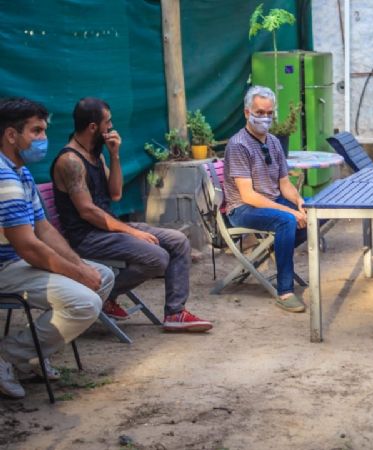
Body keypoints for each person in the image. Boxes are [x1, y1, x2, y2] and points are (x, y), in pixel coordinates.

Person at [51, 98, 212, 332]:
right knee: (157, 257)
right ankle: (102, 294)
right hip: (86, 237)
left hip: (106, 229)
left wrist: (115, 155)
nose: (112, 128)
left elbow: (115, 193)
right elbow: (87, 211)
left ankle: (175, 313)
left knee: (178, 241)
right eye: (108, 122)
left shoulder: (96, 156)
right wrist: (132, 231)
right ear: (93, 127)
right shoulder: (70, 161)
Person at [0, 97, 115, 399]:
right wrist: (77, 272)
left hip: (17, 263)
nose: (43, 139)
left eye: (44, 131)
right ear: (11, 135)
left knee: (101, 276)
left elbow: (44, 229)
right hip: (5, 267)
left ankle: (33, 354)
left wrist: (80, 265)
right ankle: (8, 356)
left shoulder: (21, 171)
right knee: (85, 302)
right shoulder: (4, 176)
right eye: (36, 131)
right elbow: (28, 247)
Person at [223, 86, 307, 312]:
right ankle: (285, 291)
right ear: (247, 113)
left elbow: (285, 184)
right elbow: (248, 195)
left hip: (271, 202)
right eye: (260, 112)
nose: (265, 118)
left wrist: (300, 202)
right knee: (287, 221)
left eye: (269, 113)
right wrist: (290, 212)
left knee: (316, 211)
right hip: (242, 209)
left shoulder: (274, 142)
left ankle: (279, 246)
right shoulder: (238, 144)